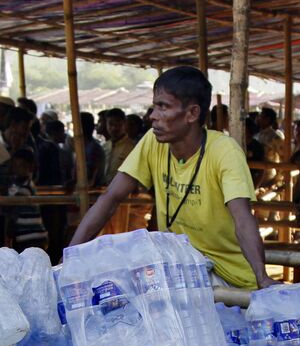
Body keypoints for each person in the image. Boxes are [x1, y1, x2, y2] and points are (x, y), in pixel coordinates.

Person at [69, 65, 272, 290]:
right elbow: (110, 198)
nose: (152, 116)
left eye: (163, 107)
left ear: (192, 114)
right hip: (181, 270)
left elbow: (243, 218)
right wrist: (70, 257)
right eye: (154, 107)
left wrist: (262, 278)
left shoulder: (224, 151)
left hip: (228, 278)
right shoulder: (152, 142)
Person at [102, 110, 135, 184]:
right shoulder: (104, 146)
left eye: (118, 124)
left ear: (125, 124)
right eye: (110, 124)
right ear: (106, 124)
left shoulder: (132, 148)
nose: (114, 128)